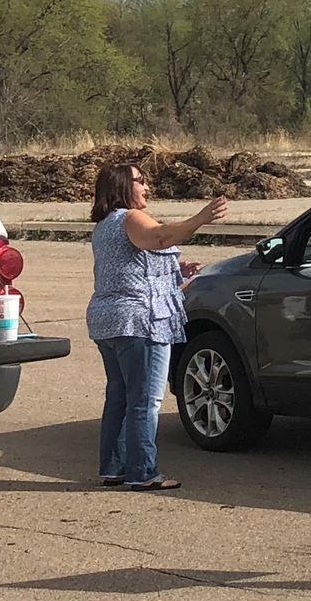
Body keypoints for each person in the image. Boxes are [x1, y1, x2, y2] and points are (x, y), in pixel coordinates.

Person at [87, 161, 227, 489]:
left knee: (120, 396)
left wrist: (178, 273)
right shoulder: (130, 218)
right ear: (122, 186)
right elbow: (160, 236)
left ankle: (114, 467)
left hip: (111, 321)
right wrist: (200, 219)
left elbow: (135, 268)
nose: (146, 186)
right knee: (145, 400)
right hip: (140, 321)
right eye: (140, 181)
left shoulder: (105, 225)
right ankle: (143, 473)